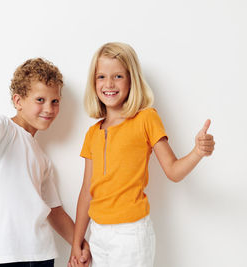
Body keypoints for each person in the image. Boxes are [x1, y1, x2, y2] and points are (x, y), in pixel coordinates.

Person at [69, 43, 215, 267]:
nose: (109, 84)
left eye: (118, 76)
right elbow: (86, 193)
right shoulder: (92, 133)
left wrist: (197, 152)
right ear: (93, 82)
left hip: (130, 234)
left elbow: (174, 171)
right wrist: (76, 243)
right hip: (97, 234)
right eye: (101, 77)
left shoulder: (146, 118)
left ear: (131, 80)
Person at [0, 58, 90, 267]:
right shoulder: (5, 130)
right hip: (3, 256)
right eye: (40, 100)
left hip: (41, 255)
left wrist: (79, 244)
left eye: (55, 101)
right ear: (18, 101)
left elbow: (55, 211)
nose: (49, 108)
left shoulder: (43, 160)